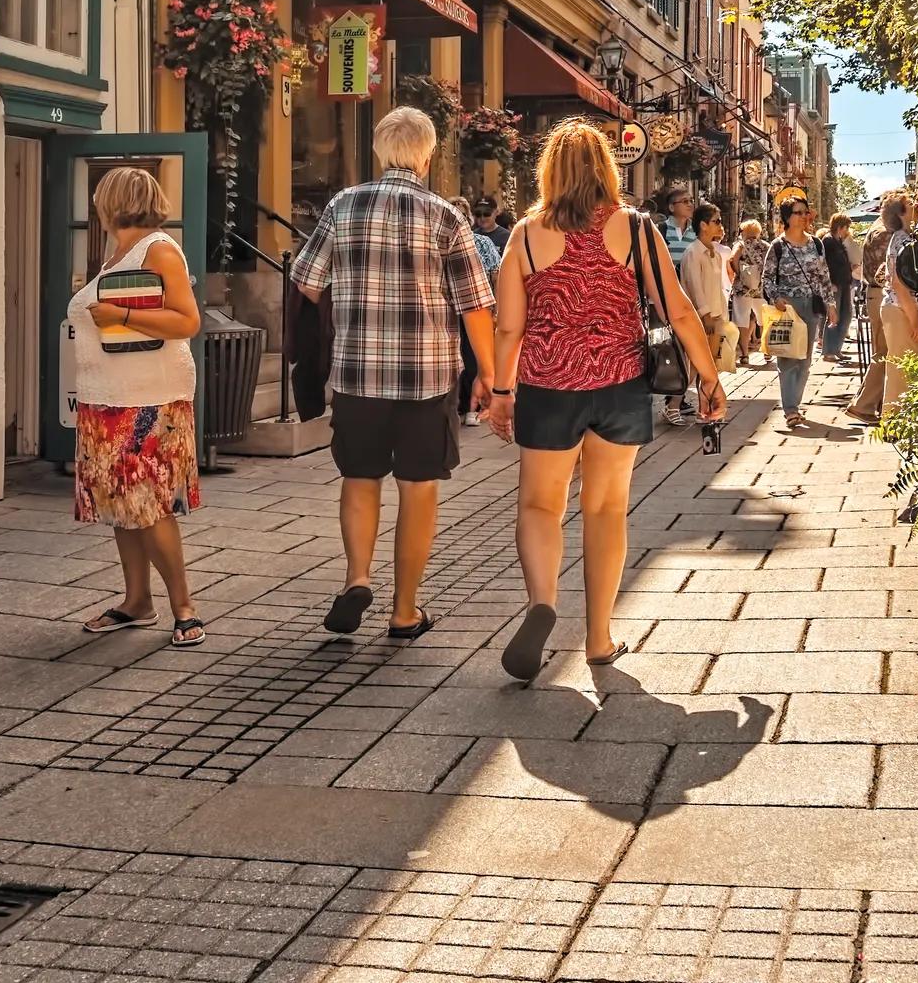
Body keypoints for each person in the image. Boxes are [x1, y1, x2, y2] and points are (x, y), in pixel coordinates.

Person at [489, 120, 727, 679]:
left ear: (550, 171)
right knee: (605, 509)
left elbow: (508, 328)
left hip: (548, 387)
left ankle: (543, 603)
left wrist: (502, 392)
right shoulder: (636, 229)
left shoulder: (525, 235)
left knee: (541, 506)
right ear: (606, 170)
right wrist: (709, 380)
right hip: (620, 387)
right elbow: (679, 310)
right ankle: (598, 639)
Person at [291, 107, 496, 642]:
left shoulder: (343, 206)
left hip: (358, 375)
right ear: (427, 155)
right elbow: (476, 306)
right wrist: (489, 376)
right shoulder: (445, 217)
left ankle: (357, 576)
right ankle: (405, 611)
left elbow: (307, 283)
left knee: (359, 479)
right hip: (427, 380)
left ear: (380, 152)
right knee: (419, 487)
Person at [67, 167, 206, 648]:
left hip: (146, 400)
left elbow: (188, 320)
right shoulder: (118, 254)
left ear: (110, 202)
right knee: (120, 505)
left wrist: (122, 314)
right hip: (104, 399)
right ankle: (137, 602)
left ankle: (184, 607)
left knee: (147, 503)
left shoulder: (159, 249)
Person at [761, 199, 835, 431]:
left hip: (811, 306)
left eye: (806, 212)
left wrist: (830, 305)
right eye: (798, 213)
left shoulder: (816, 244)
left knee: (804, 359)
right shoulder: (778, 246)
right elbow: (766, 278)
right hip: (788, 307)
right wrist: (776, 298)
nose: (804, 216)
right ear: (787, 217)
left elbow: (823, 277)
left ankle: (795, 404)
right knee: (788, 358)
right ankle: (790, 408)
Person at [678, 204, 734, 453]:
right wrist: (705, 314)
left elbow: (716, 285)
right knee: (699, 364)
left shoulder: (713, 252)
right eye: (716, 220)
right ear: (703, 224)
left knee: (708, 364)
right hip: (702, 316)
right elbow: (694, 284)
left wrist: (721, 311)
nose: (720, 225)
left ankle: (706, 409)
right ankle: (674, 404)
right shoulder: (693, 252)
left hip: (716, 313)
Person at [844, 199, 902, 422]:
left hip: (875, 294)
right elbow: (886, 271)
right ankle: (864, 405)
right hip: (881, 295)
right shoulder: (886, 233)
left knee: (883, 351)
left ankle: (871, 403)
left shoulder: (877, 228)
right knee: (885, 352)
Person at [879, 195, 918, 412]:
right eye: (909, 205)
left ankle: (895, 421)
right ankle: (894, 422)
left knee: (901, 367)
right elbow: (899, 285)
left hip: (898, 310)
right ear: (901, 213)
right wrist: (914, 321)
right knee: (902, 368)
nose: (914, 208)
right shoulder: (902, 240)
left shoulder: (902, 238)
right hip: (902, 311)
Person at [451, 194, 502, 427]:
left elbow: (495, 274)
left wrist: (495, 307)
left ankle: (470, 407)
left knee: (472, 356)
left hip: (474, 306)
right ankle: (457, 404)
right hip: (448, 308)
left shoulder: (482, 243)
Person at [654, 186, 701, 423]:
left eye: (691, 201)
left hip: (689, 295)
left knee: (685, 349)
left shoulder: (696, 231)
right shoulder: (662, 229)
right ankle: (671, 398)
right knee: (669, 348)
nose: (690, 204)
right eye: (684, 201)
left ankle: (676, 399)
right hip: (664, 297)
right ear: (672, 207)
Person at [820, 213, 858, 364]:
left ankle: (836, 348)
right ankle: (829, 351)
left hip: (844, 282)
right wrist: (830, 283)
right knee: (834, 317)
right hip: (835, 284)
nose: (847, 230)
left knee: (846, 315)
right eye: (846, 227)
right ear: (840, 227)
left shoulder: (839, 241)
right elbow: (825, 264)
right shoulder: (828, 241)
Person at [729, 218, 767, 365]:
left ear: (744, 231)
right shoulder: (765, 246)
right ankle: (766, 349)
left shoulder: (740, 245)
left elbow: (732, 259)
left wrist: (740, 274)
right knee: (763, 318)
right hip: (759, 287)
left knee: (742, 319)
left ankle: (745, 354)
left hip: (742, 288)